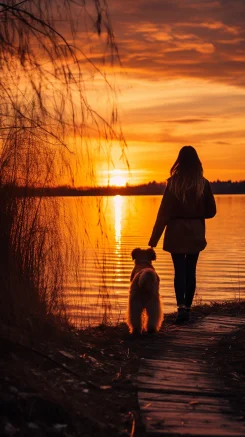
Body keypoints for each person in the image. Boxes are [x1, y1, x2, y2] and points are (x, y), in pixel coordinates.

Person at [148, 145, 216, 324]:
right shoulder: (203, 183)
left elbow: (163, 213)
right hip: (195, 231)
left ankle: (180, 310)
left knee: (179, 271)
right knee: (190, 270)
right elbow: (211, 212)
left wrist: (153, 240)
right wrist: (196, 212)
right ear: (197, 162)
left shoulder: (173, 183)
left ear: (179, 161)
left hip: (176, 231)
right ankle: (187, 308)